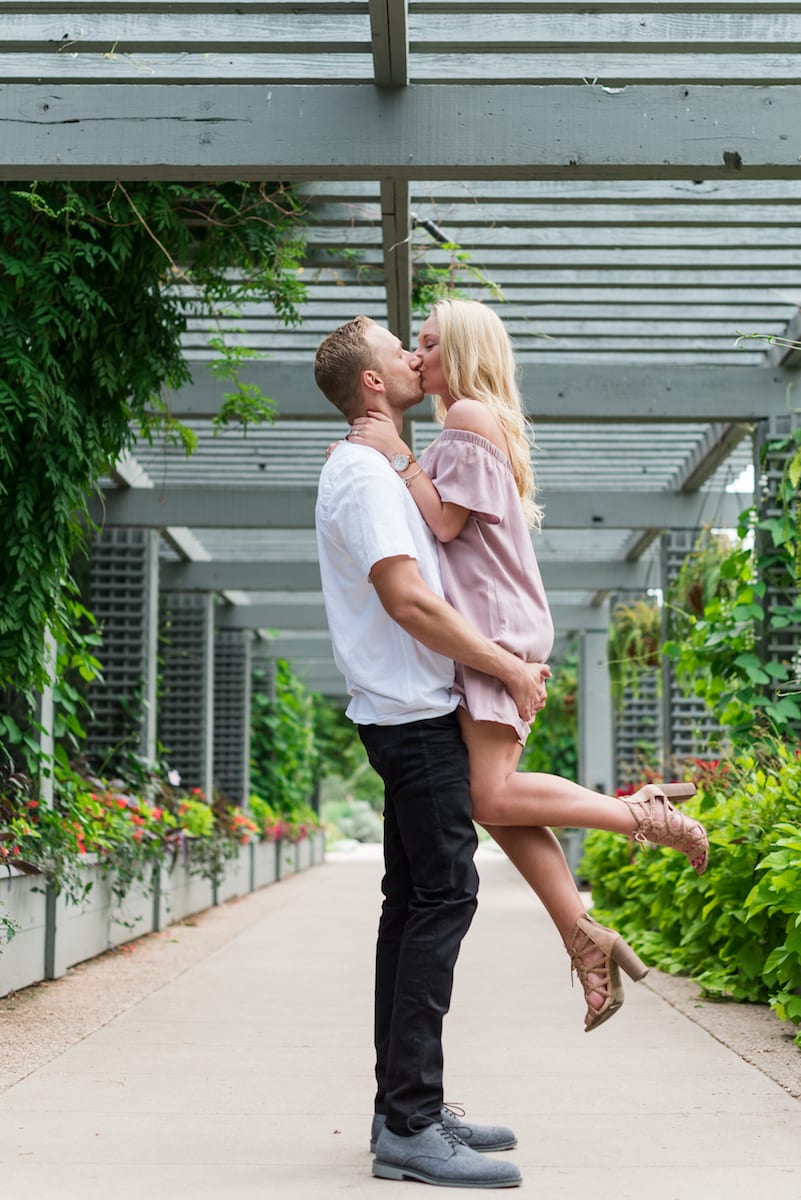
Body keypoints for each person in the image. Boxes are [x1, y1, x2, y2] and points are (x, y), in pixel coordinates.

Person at [348, 297, 709, 1035]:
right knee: (498, 799)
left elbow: (443, 522)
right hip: (491, 630)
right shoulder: (468, 421)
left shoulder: (467, 417)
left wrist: (391, 451)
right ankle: (583, 934)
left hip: (499, 633)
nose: (414, 359)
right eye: (411, 346)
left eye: (427, 344)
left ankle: (639, 816)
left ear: (465, 351)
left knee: (487, 796)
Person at [313, 315, 549, 1189]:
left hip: (411, 711)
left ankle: (403, 1105)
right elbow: (410, 602)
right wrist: (508, 668)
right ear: (372, 384)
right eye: (398, 349)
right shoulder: (367, 475)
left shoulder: (381, 468)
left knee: (413, 903)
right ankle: (409, 1125)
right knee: (442, 898)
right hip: (412, 718)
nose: (413, 357)